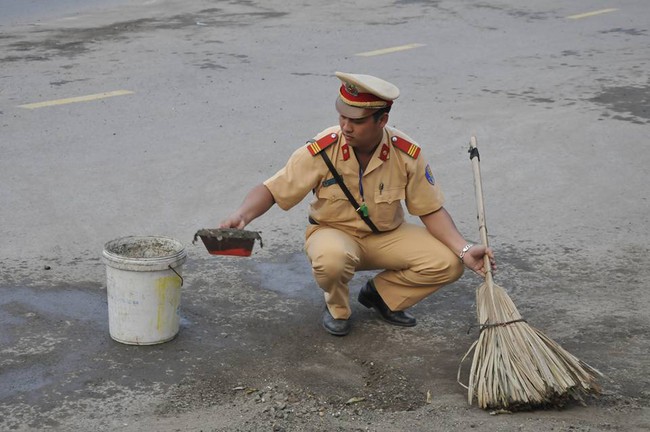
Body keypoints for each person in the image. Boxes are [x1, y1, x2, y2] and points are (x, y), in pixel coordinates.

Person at [220, 72, 495, 336]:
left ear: (381, 120)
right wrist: (243, 216)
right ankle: (337, 309)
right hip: (333, 234)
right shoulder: (322, 149)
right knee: (332, 260)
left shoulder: (406, 153)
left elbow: (430, 209)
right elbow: (272, 189)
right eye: (342, 116)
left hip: (387, 237)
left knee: (449, 261)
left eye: (357, 121)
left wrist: (464, 248)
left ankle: (382, 296)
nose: (346, 126)